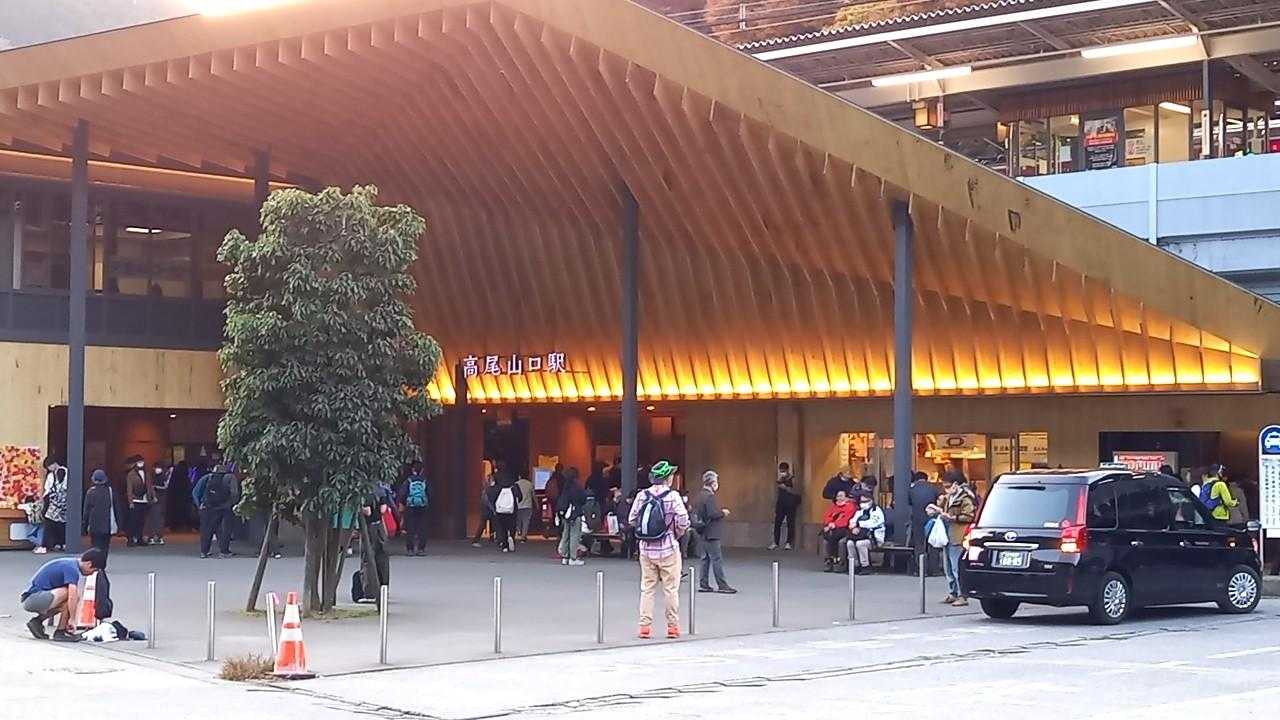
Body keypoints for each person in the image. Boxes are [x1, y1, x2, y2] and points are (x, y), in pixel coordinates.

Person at [628, 460, 690, 639]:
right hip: (668, 548)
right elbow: (683, 519)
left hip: (646, 550)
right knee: (671, 589)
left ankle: (644, 627)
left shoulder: (642, 495)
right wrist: (676, 532)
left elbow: (632, 519)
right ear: (667, 478)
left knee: (647, 589)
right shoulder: (673, 496)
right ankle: (672, 627)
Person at [20, 548, 107, 642]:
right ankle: (60, 631)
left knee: (65, 604)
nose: (91, 574)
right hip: (33, 598)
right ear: (89, 564)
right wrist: (72, 619)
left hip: (34, 598)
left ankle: (43, 624)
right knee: (71, 594)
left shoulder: (70, 563)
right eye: (94, 570)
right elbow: (72, 596)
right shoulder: (72, 569)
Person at [931, 470, 977, 606]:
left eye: (947, 486)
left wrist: (952, 518)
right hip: (948, 534)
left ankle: (962, 595)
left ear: (956, 484)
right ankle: (953, 592)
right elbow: (942, 509)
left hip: (958, 535)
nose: (946, 488)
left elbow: (969, 516)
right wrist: (936, 509)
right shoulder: (948, 497)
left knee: (957, 567)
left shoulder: (965, 497)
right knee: (949, 567)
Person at [693, 470, 736, 594]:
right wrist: (723, 513)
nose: (717, 484)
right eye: (716, 481)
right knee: (716, 559)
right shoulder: (710, 496)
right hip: (712, 532)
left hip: (702, 531)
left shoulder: (700, 495)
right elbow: (712, 514)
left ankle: (704, 584)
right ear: (712, 483)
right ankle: (722, 585)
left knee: (704, 559)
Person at [196, 464, 236, 559]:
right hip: (223, 507)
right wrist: (230, 504)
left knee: (207, 530)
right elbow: (234, 493)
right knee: (224, 529)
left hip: (209, 507)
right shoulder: (230, 477)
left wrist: (200, 505)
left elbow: (198, 491)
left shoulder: (209, 477)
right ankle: (224, 551)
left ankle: (204, 552)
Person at [908, 471, 942, 575]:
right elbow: (941, 499)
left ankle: (921, 570)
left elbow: (908, 503)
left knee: (919, 545)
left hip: (917, 519)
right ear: (926, 478)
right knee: (933, 544)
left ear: (915, 479)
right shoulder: (933, 488)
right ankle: (934, 569)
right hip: (931, 519)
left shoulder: (912, 489)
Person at [82, 469, 116, 562]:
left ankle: (96, 563)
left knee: (95, 546)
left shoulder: (90, 492)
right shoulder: (110, 491)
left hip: (94, 524)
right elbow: (116, 507)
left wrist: (84, 525)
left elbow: (86, 511)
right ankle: (103, 562)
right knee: (105, 546)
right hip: (107, 524)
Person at [488, 462, 522, 552]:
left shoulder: (497, 483)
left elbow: (491, 496)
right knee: (512, 525)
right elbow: (520, 496)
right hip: (511, 508)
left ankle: (505, 545)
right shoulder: (513, 483)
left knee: (502, 527)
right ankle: (511, 537)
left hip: (500, 509)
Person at [848, 494, 886, 575]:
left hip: (874, 538)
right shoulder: (859, 512)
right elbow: (852, 521)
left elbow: (873, 523)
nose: (863, 503)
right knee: (850, 543)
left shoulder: (877, 511)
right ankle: (855, 565)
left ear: (871, 501)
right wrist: (853, 527)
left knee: (860, 544)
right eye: (861, 501)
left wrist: (859, 525)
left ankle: (865, 566)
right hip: (859, 536)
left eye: (865, 501)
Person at [820, 490, 857, 572]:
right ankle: (828, 561)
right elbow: (827, 516)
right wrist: (830, 524)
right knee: (826, 541)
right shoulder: (834, 506)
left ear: (846, 497)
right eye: (838, 496)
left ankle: (840, 563)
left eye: (841, 496)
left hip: (845, 530)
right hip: (832, 530)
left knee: (840, 542)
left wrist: (835, 525)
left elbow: (847, 519)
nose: (839, 498)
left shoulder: (851, 506)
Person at [557, 467, 587, 565]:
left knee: (566, 534)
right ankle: (573, 558)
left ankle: (565, 556)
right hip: (575, 513)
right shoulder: (577, 486)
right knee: (574, 535)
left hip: (566, 514)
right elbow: (583, 499)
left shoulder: (565, 486)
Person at [400, 461, 430, 556]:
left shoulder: (408, 480)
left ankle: (410, 549)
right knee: (422, 527)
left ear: (413, 469)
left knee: (410, 528)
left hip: (410, 506)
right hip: (422, 506)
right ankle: (421, 549)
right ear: (422, 470)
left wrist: (403, 503)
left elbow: (403, 493)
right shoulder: (425, 480)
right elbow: (430, 493)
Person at [770, 462, 801, 550]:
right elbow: (777, 493)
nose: (782, 472)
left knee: (790, 523)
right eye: (780, 471)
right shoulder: (780, 479)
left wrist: (786, 488)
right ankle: (775, 542)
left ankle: (788, 543)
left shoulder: (793, 479)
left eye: (783, 471)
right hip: (781, 504)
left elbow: (796, 491)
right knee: (777, 523)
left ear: (787, 470)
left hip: (790, 505)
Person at [125, 456, 152, 547]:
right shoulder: (131, 474)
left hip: (144, 500)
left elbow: (149, 486)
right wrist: (130, 502)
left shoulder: (146, 473)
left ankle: (140, 538)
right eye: (139, 462)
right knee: (133, 521)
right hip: (135, 500)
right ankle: (130, 539)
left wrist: (151, 497)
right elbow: (129, 489)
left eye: (142, 462)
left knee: (142, 521)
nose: (141, 464)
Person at [41, 465, 69, 552]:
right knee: (62, 525)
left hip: (53, 507)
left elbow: (47, 491)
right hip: (64, 507)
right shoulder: (68, 474)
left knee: (49, 525)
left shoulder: (52, 476)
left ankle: (48, 544)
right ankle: (63, 543)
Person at [471, 469, 496, 547]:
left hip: (485, 509)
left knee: (489, 524)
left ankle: (491, 537)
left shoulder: (485, 490)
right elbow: (487, 501)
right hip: (487, 510)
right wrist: (493, 509)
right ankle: (476, 540)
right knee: (484, 524)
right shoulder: (487, 490)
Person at [147, 462, 170, 545]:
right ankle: (154, 536)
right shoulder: (152, 477)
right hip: (155, 500)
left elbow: (166, 486)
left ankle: (158, 536)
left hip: (160, 499)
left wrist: (156, 487)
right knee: (154, 518)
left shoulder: (163, 477)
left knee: (157, 518)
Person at [515, 472, 535, 541]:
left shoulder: (516, 484)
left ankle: (519, 531)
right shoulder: (530, 484)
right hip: (528, 505)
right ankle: (523, 536)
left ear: (519, 476)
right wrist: (537, 503)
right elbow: (533, 495)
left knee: (518, 520)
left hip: (518, 505)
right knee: (526, 521)